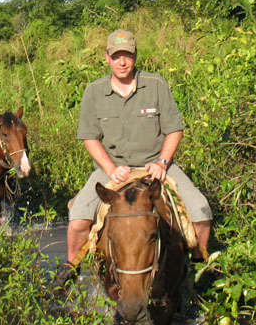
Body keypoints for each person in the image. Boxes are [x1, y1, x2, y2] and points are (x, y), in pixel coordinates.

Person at [55, 30, 212, 287]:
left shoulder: (156, 84)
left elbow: (174, 129)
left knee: (200, 212)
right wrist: (111, 168)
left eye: (127, 55)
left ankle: (197, 270)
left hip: (157, 166)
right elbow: (89, 138)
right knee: (79, 218)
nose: (122, 62)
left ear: (135, 56)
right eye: (117, 56)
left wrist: (162, 162)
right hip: (112, 169)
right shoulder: (93, 92)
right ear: (107, 58)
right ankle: (72, 268)